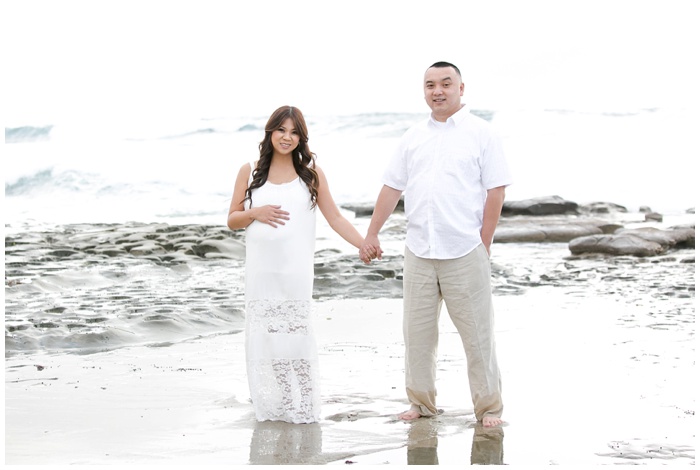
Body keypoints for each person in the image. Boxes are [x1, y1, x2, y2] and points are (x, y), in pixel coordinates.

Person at [360, 62, 512, 427]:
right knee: (417, 336)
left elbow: (496, 190)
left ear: (462, 88)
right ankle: (421, 404)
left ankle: (488, 409)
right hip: (419, 251)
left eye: (446, 83)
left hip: (464, 250)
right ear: (424, 90)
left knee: (478, 338)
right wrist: (372, 232)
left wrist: (484, 242)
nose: (438, 91)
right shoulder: (413, 136)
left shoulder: (482, 133)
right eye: (430, 85)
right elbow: (391, 187)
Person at [227, 106, 372, 424]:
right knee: (270, 339)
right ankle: (280, 403)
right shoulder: (250, 171)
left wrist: (363, 243)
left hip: (295, 273)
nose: (287, 137)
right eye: (281, 130)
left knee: (296, 336)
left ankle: (305, 405)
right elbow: (232, 220)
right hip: (262, 274)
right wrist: (256, 212)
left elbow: (334, 217)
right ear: (270, 132)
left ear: (301, 138)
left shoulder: (311, 174)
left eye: (294, 132)